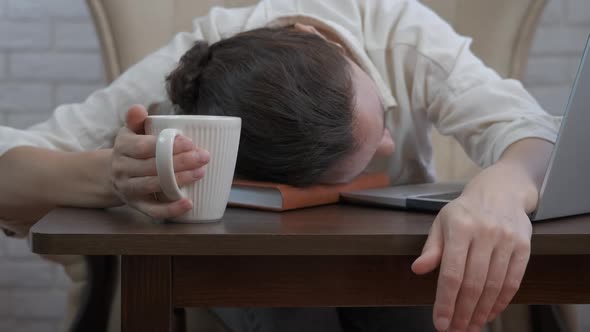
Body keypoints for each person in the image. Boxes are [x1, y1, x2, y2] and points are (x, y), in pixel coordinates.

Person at [0, 0, 562, 331]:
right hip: (258, 279)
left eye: (380, 119)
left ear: (314, 36)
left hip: (404, 268)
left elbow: (531, 131)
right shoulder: (191, 78)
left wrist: (501, 189)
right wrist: (111, 175)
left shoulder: (398, 30)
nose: (390, 146)